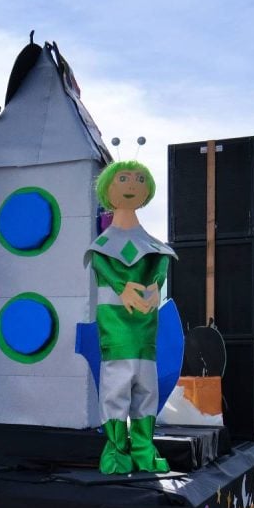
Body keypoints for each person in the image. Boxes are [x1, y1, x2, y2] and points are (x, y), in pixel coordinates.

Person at [85, 160, 177, 475]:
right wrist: (123, 288)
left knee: (146, 388)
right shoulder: (103, 244)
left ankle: (142, 448)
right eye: (123, 178)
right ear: (108, 187)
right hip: (116, 330)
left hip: (145, 331)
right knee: (116, 387)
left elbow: (161, 264)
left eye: (138, 179)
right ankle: (115, 450)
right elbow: (103, 266)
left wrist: (155, 286)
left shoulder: (153, 245)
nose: (131, 185)